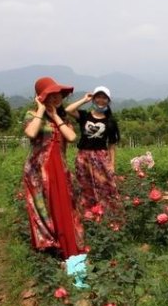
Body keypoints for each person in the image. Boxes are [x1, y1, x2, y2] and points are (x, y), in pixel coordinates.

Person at [21, 77, 84, 260]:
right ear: (42, 96)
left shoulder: (62, 118)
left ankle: (68, 252)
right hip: (39, 172)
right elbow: (31, 133)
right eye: (51, 95)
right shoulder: (31, 115)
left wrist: (56, 115)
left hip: (60, 170)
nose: (57, 98)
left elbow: (71, 137)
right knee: (45, 210)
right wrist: (41, 109)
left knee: (65, 209)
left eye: (58, 95)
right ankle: (52, 250)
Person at [65, 85, 120, 213]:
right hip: (83, 156)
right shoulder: (84, 116)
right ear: (94, 99)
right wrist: (84, 100)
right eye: (98, 97)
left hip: (101, 156)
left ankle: (108, 213)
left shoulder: (110, 121)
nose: (101, 100)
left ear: (108, 101)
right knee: (84, 185)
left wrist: (112, 164)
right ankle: (88, 214)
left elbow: (112, 145)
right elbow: (68, 109)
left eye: (104, 98)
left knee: (105, 185)